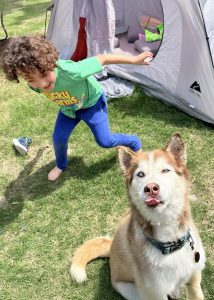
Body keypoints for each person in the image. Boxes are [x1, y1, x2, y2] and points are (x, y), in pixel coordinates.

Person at [2, 35, 153, 181]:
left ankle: (134, 142)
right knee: (58, 139)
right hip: (68, 109)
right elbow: (39, 83)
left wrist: (134, 59)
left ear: (50, 63)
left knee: (105, 141)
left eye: (43, 74)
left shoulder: (71, 71)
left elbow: (103, 59)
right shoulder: (34, 86)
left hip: (91, 105)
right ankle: (61, 164)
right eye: (30, 79)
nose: (41, 84)